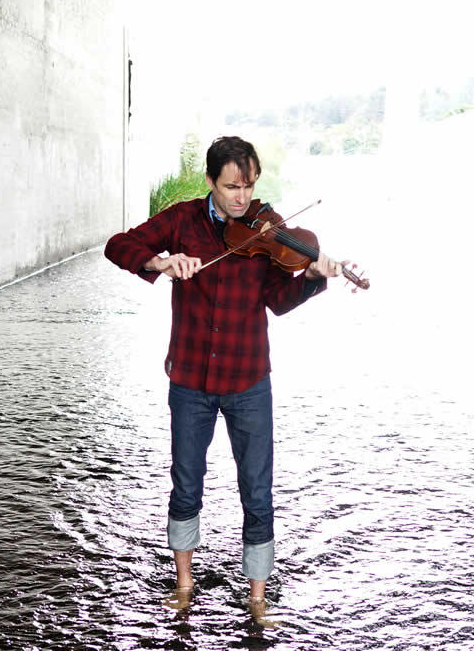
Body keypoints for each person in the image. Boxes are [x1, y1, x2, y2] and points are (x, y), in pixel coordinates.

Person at [104, 135, 342, 611]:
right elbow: (118, 245)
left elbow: (278, 300)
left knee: (257, 488)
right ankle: (184, 584)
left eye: (250, 187)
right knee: (186, 481)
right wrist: (161, 261)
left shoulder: (267, 231)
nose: (243, 198)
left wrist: (313, 279)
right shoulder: (182, 220)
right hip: (190, 377)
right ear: (210, 181)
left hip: (249, 378)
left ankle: (257, 598)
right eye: (232, 187)